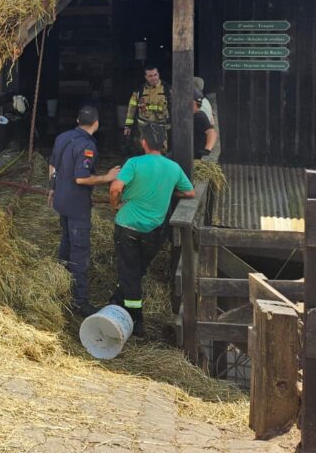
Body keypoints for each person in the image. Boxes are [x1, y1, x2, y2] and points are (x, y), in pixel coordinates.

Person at [108, 124, 195, 336]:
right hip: (154, 229)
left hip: (127, 225)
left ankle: (136, 320)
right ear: (163, 144)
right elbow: (190, 192)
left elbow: (115, 187)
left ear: (143, 142)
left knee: (130, 273)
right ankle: (118, 300)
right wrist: (169, 192)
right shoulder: (173, 168)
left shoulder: (134, 163)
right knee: (137, 270)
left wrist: (115, 205)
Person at [48, 106, 120, 317]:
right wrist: (107, 178)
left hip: (61, 199)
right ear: (96, 123)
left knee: (66, 241)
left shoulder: (62, 137)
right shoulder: (87, 146)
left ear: (78, 120)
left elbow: (53, 166)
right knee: (79, 250)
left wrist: (52, 188)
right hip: (77, 205)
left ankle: (60, 284)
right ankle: (80, 301)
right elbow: (81, 178)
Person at [123, 65, 172, 152]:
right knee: (144, 151)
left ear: (158, 74)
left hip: (161, 127)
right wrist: (128, 126)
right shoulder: (140, 91)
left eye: (155, 75)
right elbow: (131, 109)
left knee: (161, 152)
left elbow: (175, 108)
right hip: (144, 128)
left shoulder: (167, 89)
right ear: (146, 77)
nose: (153, 78)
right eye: (150, 76)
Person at [193, 89, 218, 161]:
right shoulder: (191, 116)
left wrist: (207, 149)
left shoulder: (199, 116)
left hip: (194, 154)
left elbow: (212, 132)